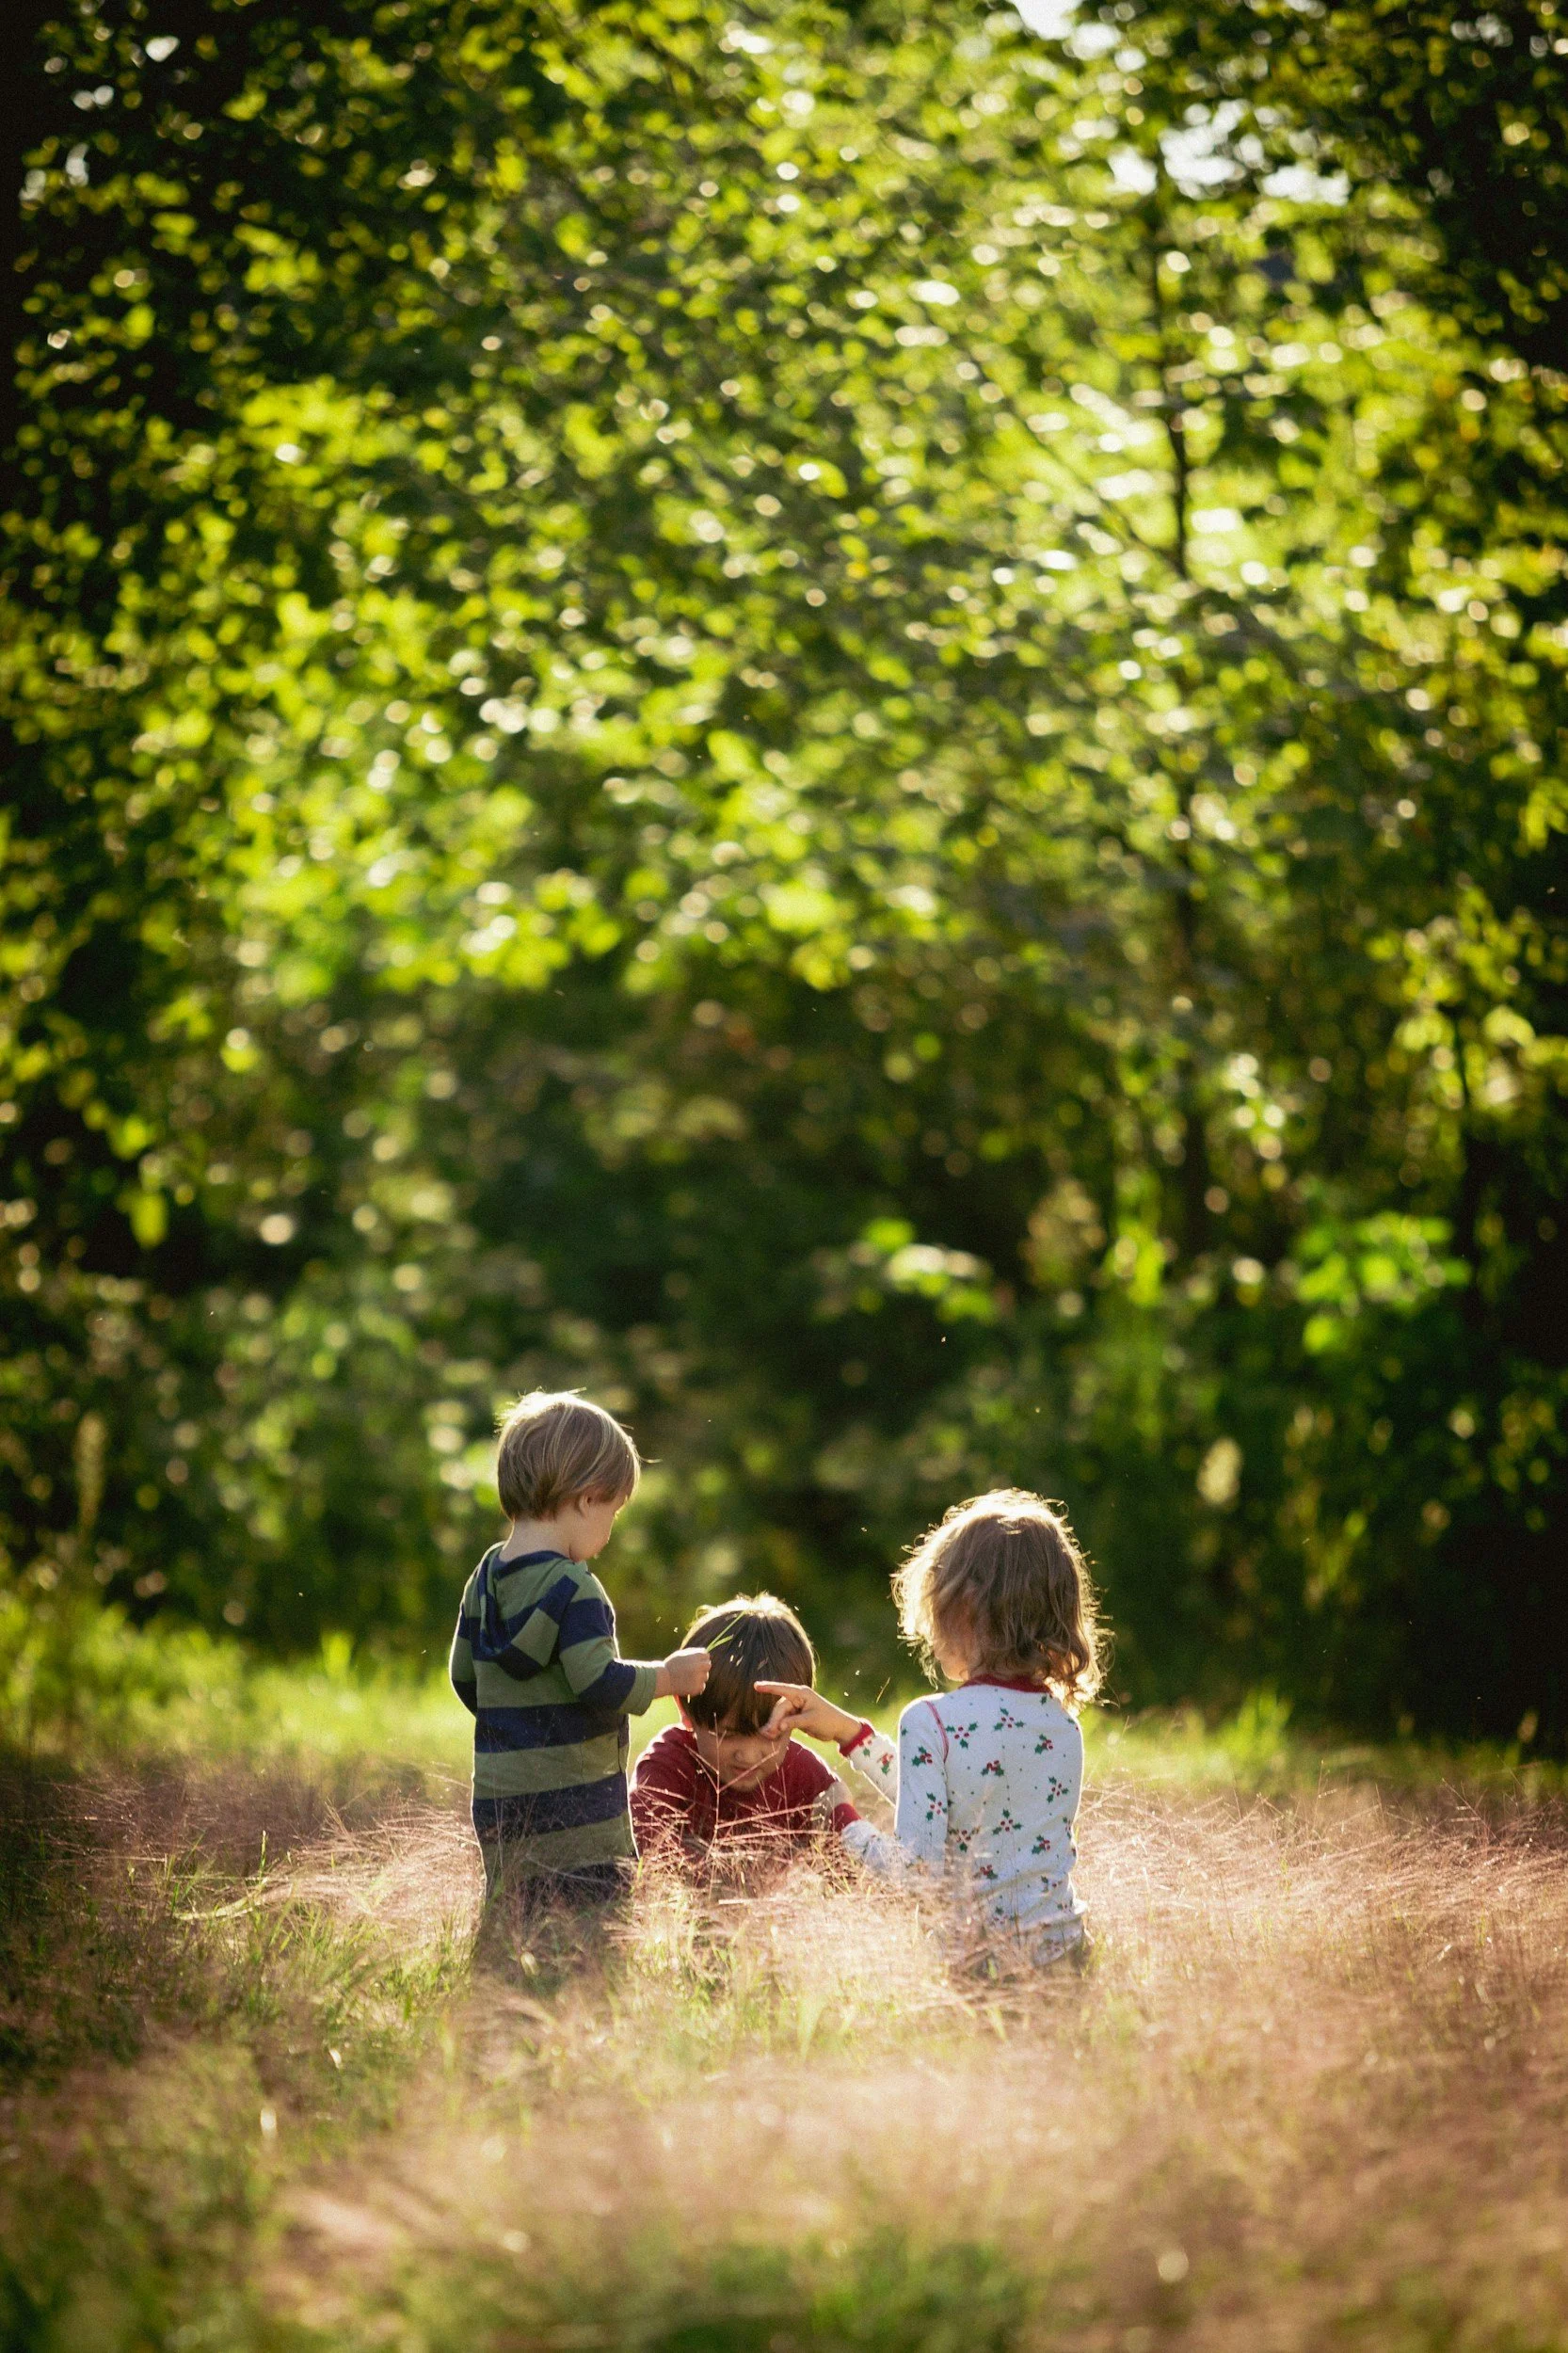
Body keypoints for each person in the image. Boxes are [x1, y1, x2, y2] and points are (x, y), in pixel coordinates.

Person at [758, 1489, 1101, 1967]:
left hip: (981, 1975)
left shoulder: (932, 1721)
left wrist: (841, 1823)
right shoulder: (1062, 1726)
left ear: (960, 1609)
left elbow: (916, 1875)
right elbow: (958, 1799)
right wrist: (849, 1734)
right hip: (1066, 1960)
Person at [449, 1390, 711, 1924]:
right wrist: (668, 1676)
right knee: (593, 1933)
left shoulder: (484, 1580)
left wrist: (516, 1728)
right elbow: (599, 1683)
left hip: (503, 1802)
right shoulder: (575, 1588)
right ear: (586, 1499)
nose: (610, 1530)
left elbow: (463, 1677)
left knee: (514, 1922)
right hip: (579, 1812)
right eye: (612, 1512)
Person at [631, 1594, 864, 1881]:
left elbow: (856, 1874)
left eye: (771, 1737)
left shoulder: (805, 1777)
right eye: (727, 1735)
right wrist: (736, 1884)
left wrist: (839, 1811)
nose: (749, 1755)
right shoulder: (668, 1767)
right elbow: (650, 1860)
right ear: (687, 1711)